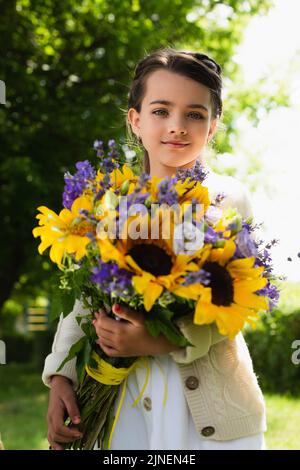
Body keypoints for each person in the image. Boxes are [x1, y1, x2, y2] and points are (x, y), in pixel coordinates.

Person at [43, 47, 266, 450]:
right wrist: (61, 375)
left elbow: (237, 306)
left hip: (210, 413)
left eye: (195, 114)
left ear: (213, 125)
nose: (177, 126)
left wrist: (162, 341)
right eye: (161, 111)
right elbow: (83, 302)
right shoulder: (107, 200)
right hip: (121, 399)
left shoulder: (226, 199)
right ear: (136, 119)